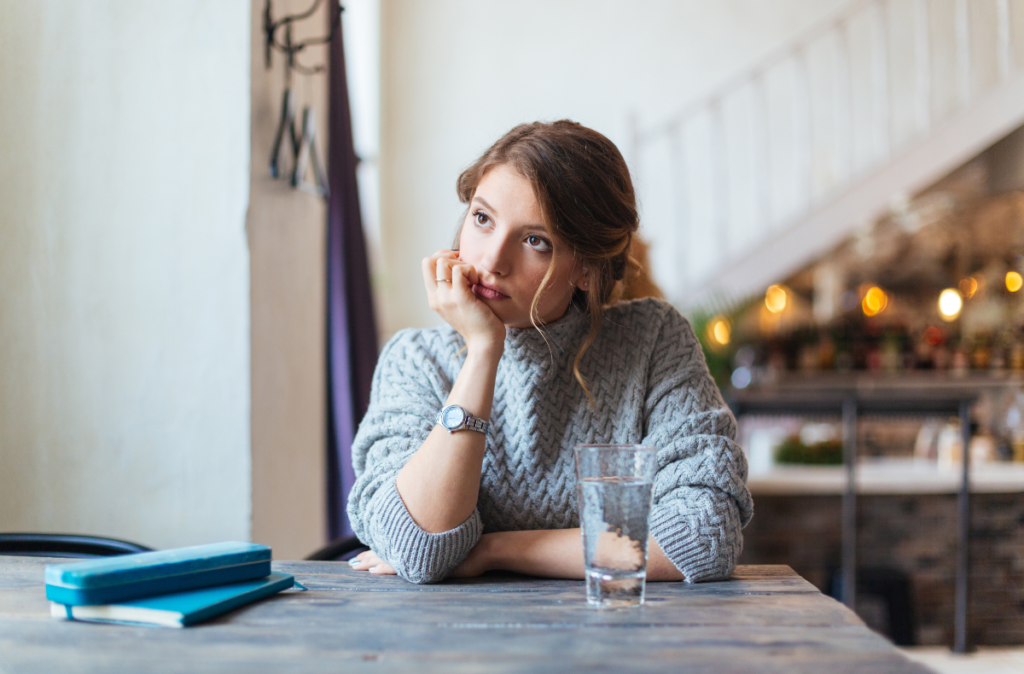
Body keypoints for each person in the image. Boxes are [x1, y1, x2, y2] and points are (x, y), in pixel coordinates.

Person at [347, 120, 752, 584]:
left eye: (535, 240)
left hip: (617, 641)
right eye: (482, 219)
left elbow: (702, 538)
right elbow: (417, 549)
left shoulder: (652, 340)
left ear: (585, 268)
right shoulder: (416, 359)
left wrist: (495, 550)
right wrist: (483, 351)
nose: (491, 261)